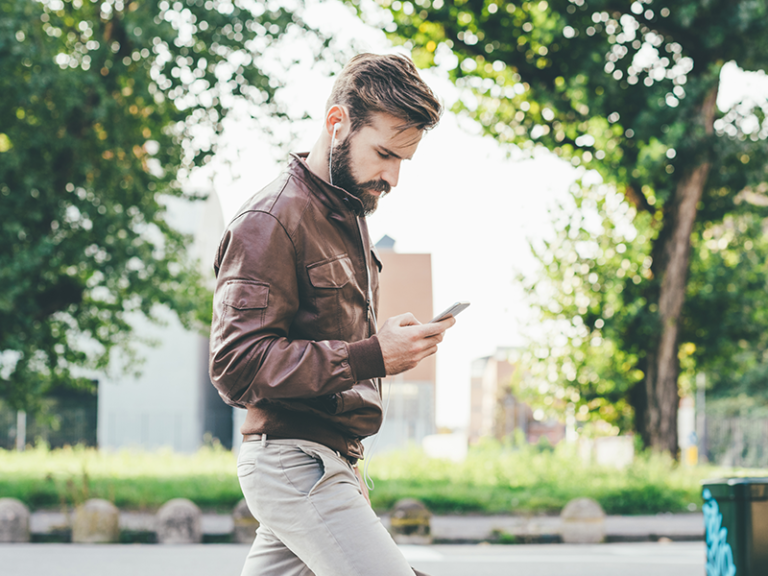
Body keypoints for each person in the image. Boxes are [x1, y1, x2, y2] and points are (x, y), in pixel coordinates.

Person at [209, 53, 454, 576]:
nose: (392, 177)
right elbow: (236, 366)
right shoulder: (271, 219)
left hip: (327, 460)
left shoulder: (344, 216)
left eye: (402, 161)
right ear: (337, 124)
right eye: (384, 154)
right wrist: (372, 355)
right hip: (294, 464)